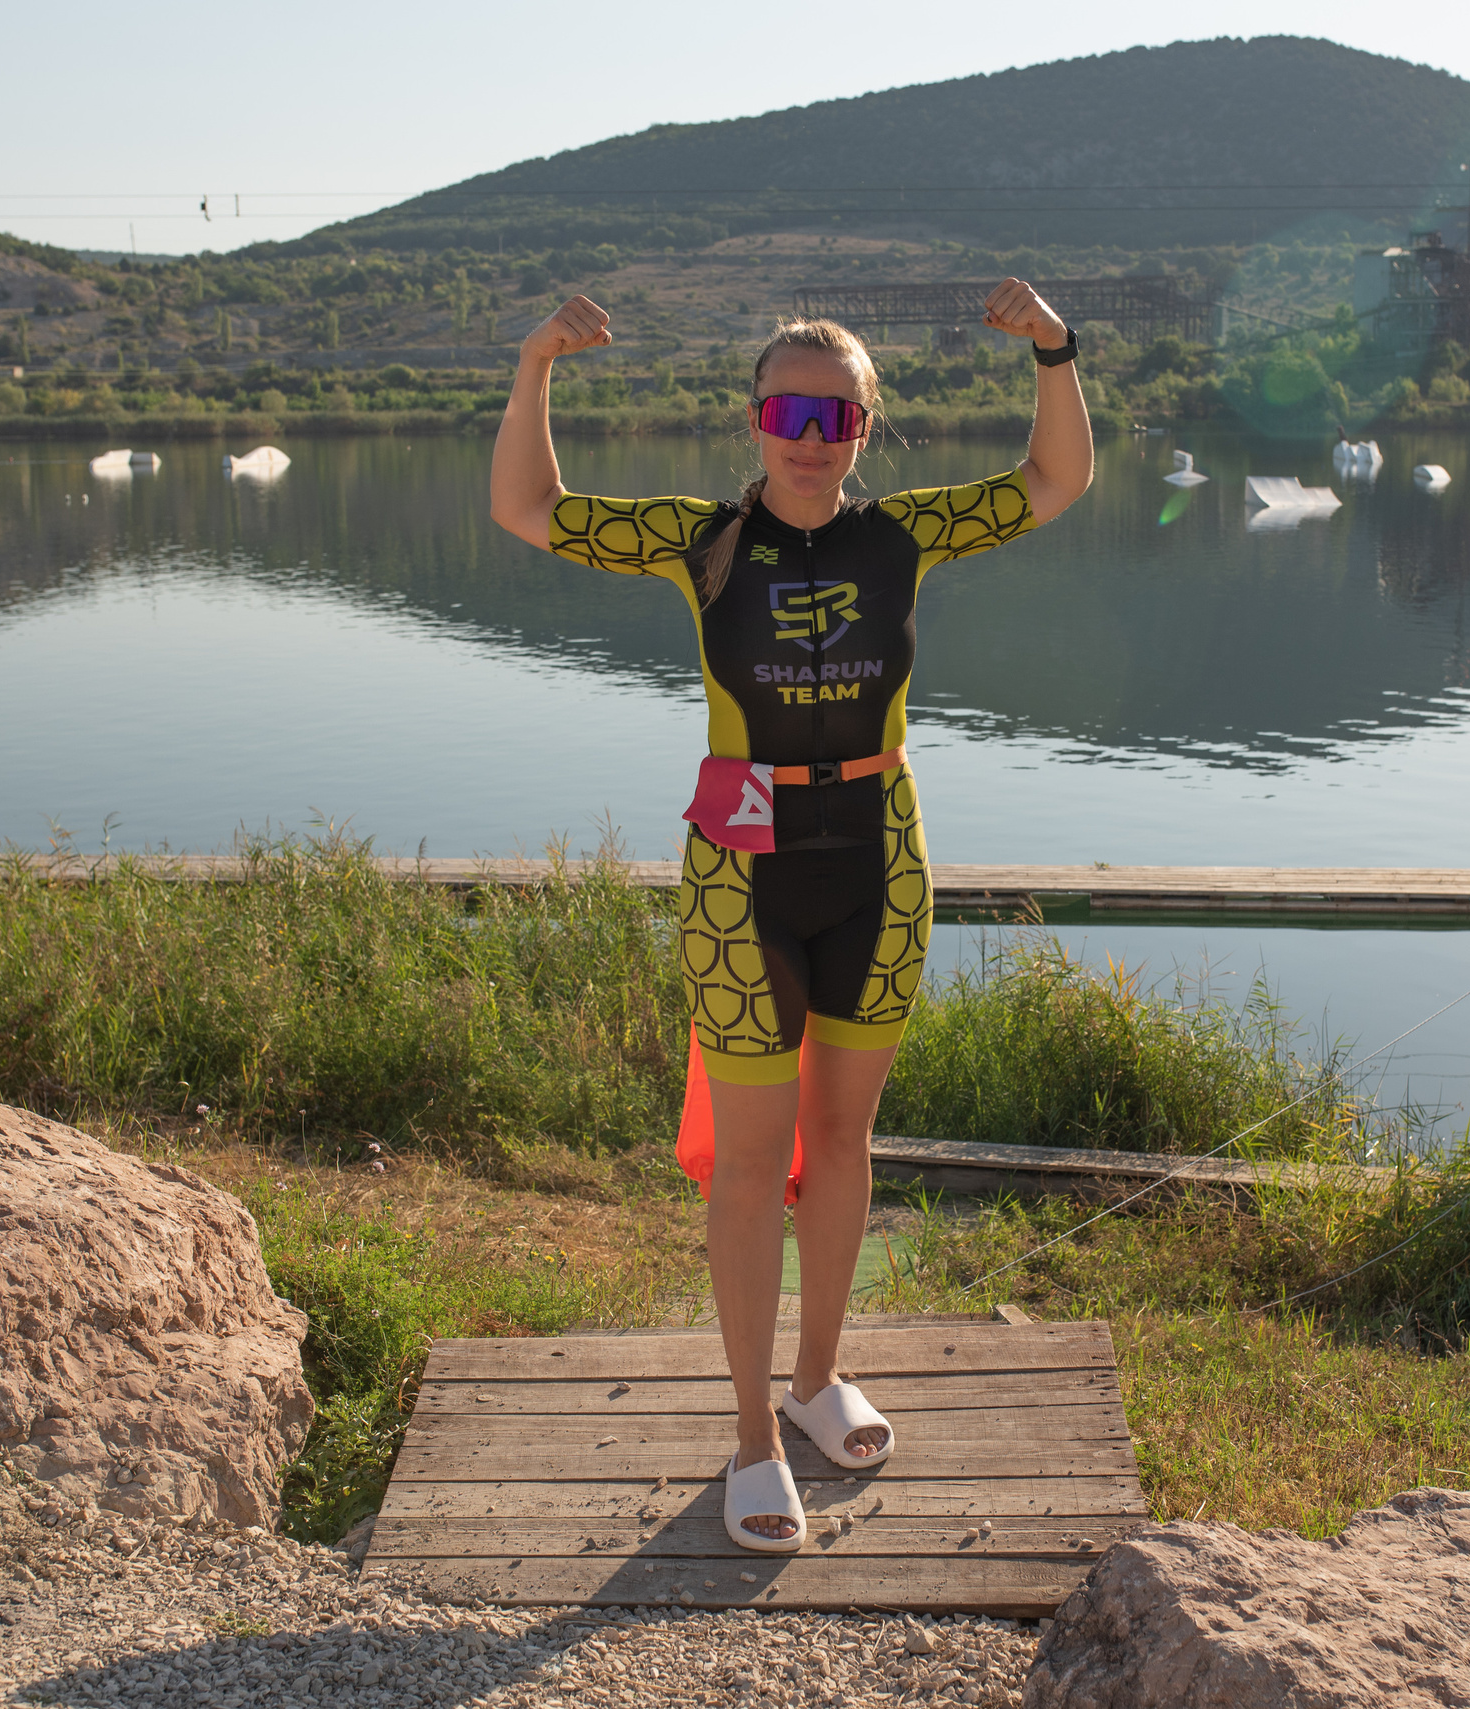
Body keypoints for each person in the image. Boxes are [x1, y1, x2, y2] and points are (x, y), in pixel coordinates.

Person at [489, 281, 1092, 1551]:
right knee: (756, 1160)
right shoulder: (698, 539)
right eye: (785, 408)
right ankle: (754, 1433)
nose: (808, 432)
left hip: (879, 854)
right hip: (740, 879)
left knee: (842, 1135)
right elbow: (526, 509)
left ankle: (819, 1381)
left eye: (833, 411)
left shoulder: (905, 535)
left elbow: (1053, 478)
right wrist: (539, 359)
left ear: (864, 424)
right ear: (756, 419)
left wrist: (1052, 347)